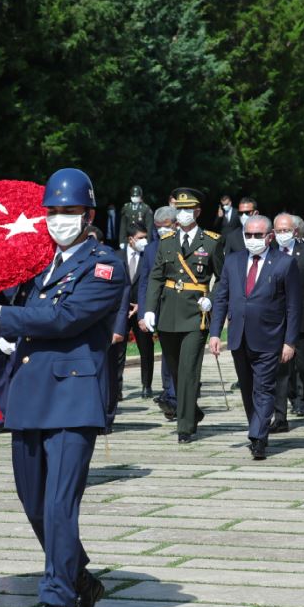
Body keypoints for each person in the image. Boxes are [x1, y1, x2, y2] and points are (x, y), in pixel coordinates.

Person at [0, 167, 125, 607]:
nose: (59, 220)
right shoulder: (38, 263)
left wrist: (0, 316)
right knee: (34, 504)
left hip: (72, 400)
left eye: (69, 212)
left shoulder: (105, 264)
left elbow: (65, 318)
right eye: (53, 212)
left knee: (62, 507)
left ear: (88, 215)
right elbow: (22, 304)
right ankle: (81, 579)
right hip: (29, 397)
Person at [209, 215, 300, 459]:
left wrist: (290, 341)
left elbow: (293, 306)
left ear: (269, 236)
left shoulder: (284, 263)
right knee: (248, 389)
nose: (252, 239)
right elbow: (221, 298)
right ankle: (257, 427)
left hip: (270, 337)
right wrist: (215, 333)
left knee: (264, 388)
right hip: (239, 337)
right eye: (248, 235)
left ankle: (258, 437)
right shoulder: (234, 261)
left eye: (257, 235)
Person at [143, 189, 224, 443]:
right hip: (168, 314)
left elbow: (223, 277)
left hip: (194, 315)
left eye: (189, 210)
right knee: (176, 372)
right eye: (180, 210)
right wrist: (149, 308)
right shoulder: (166, 242)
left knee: (189, 370)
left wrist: (210, 297)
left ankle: (185, 426)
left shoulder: (211, 240)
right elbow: (156, 277)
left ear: (197, 211)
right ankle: (192, 410)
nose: (184, 214)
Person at [270, 212, 304, 429]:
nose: (283, 234)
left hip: (303, 320)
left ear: (295, 231)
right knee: (279, 370)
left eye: (286, 230)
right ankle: (280, 417)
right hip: (275, 322)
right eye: (279, 230)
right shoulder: (270, 253)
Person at [138, 206, 177, 412]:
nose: (162, 230)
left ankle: (178, 391)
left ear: (176, 225)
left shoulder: (185, 244)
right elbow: (144, 282)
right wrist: (144, 312)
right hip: (159, 309)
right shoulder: (151, 249)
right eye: (158, 227)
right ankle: (169, 391)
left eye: (166, 227)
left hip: (182, 308)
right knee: (167, 350)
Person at [111, 223, 155, 404]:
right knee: (118, 350)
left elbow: (151, 282)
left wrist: (142, 306)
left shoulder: (149, 256)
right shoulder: (116, 256)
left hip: (141, 308)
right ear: (130, 239)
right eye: (140, 238)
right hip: (122, 309)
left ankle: (146, 385)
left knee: (146, 348)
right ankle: (117, 387)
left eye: (146, 237)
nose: (144, 241)